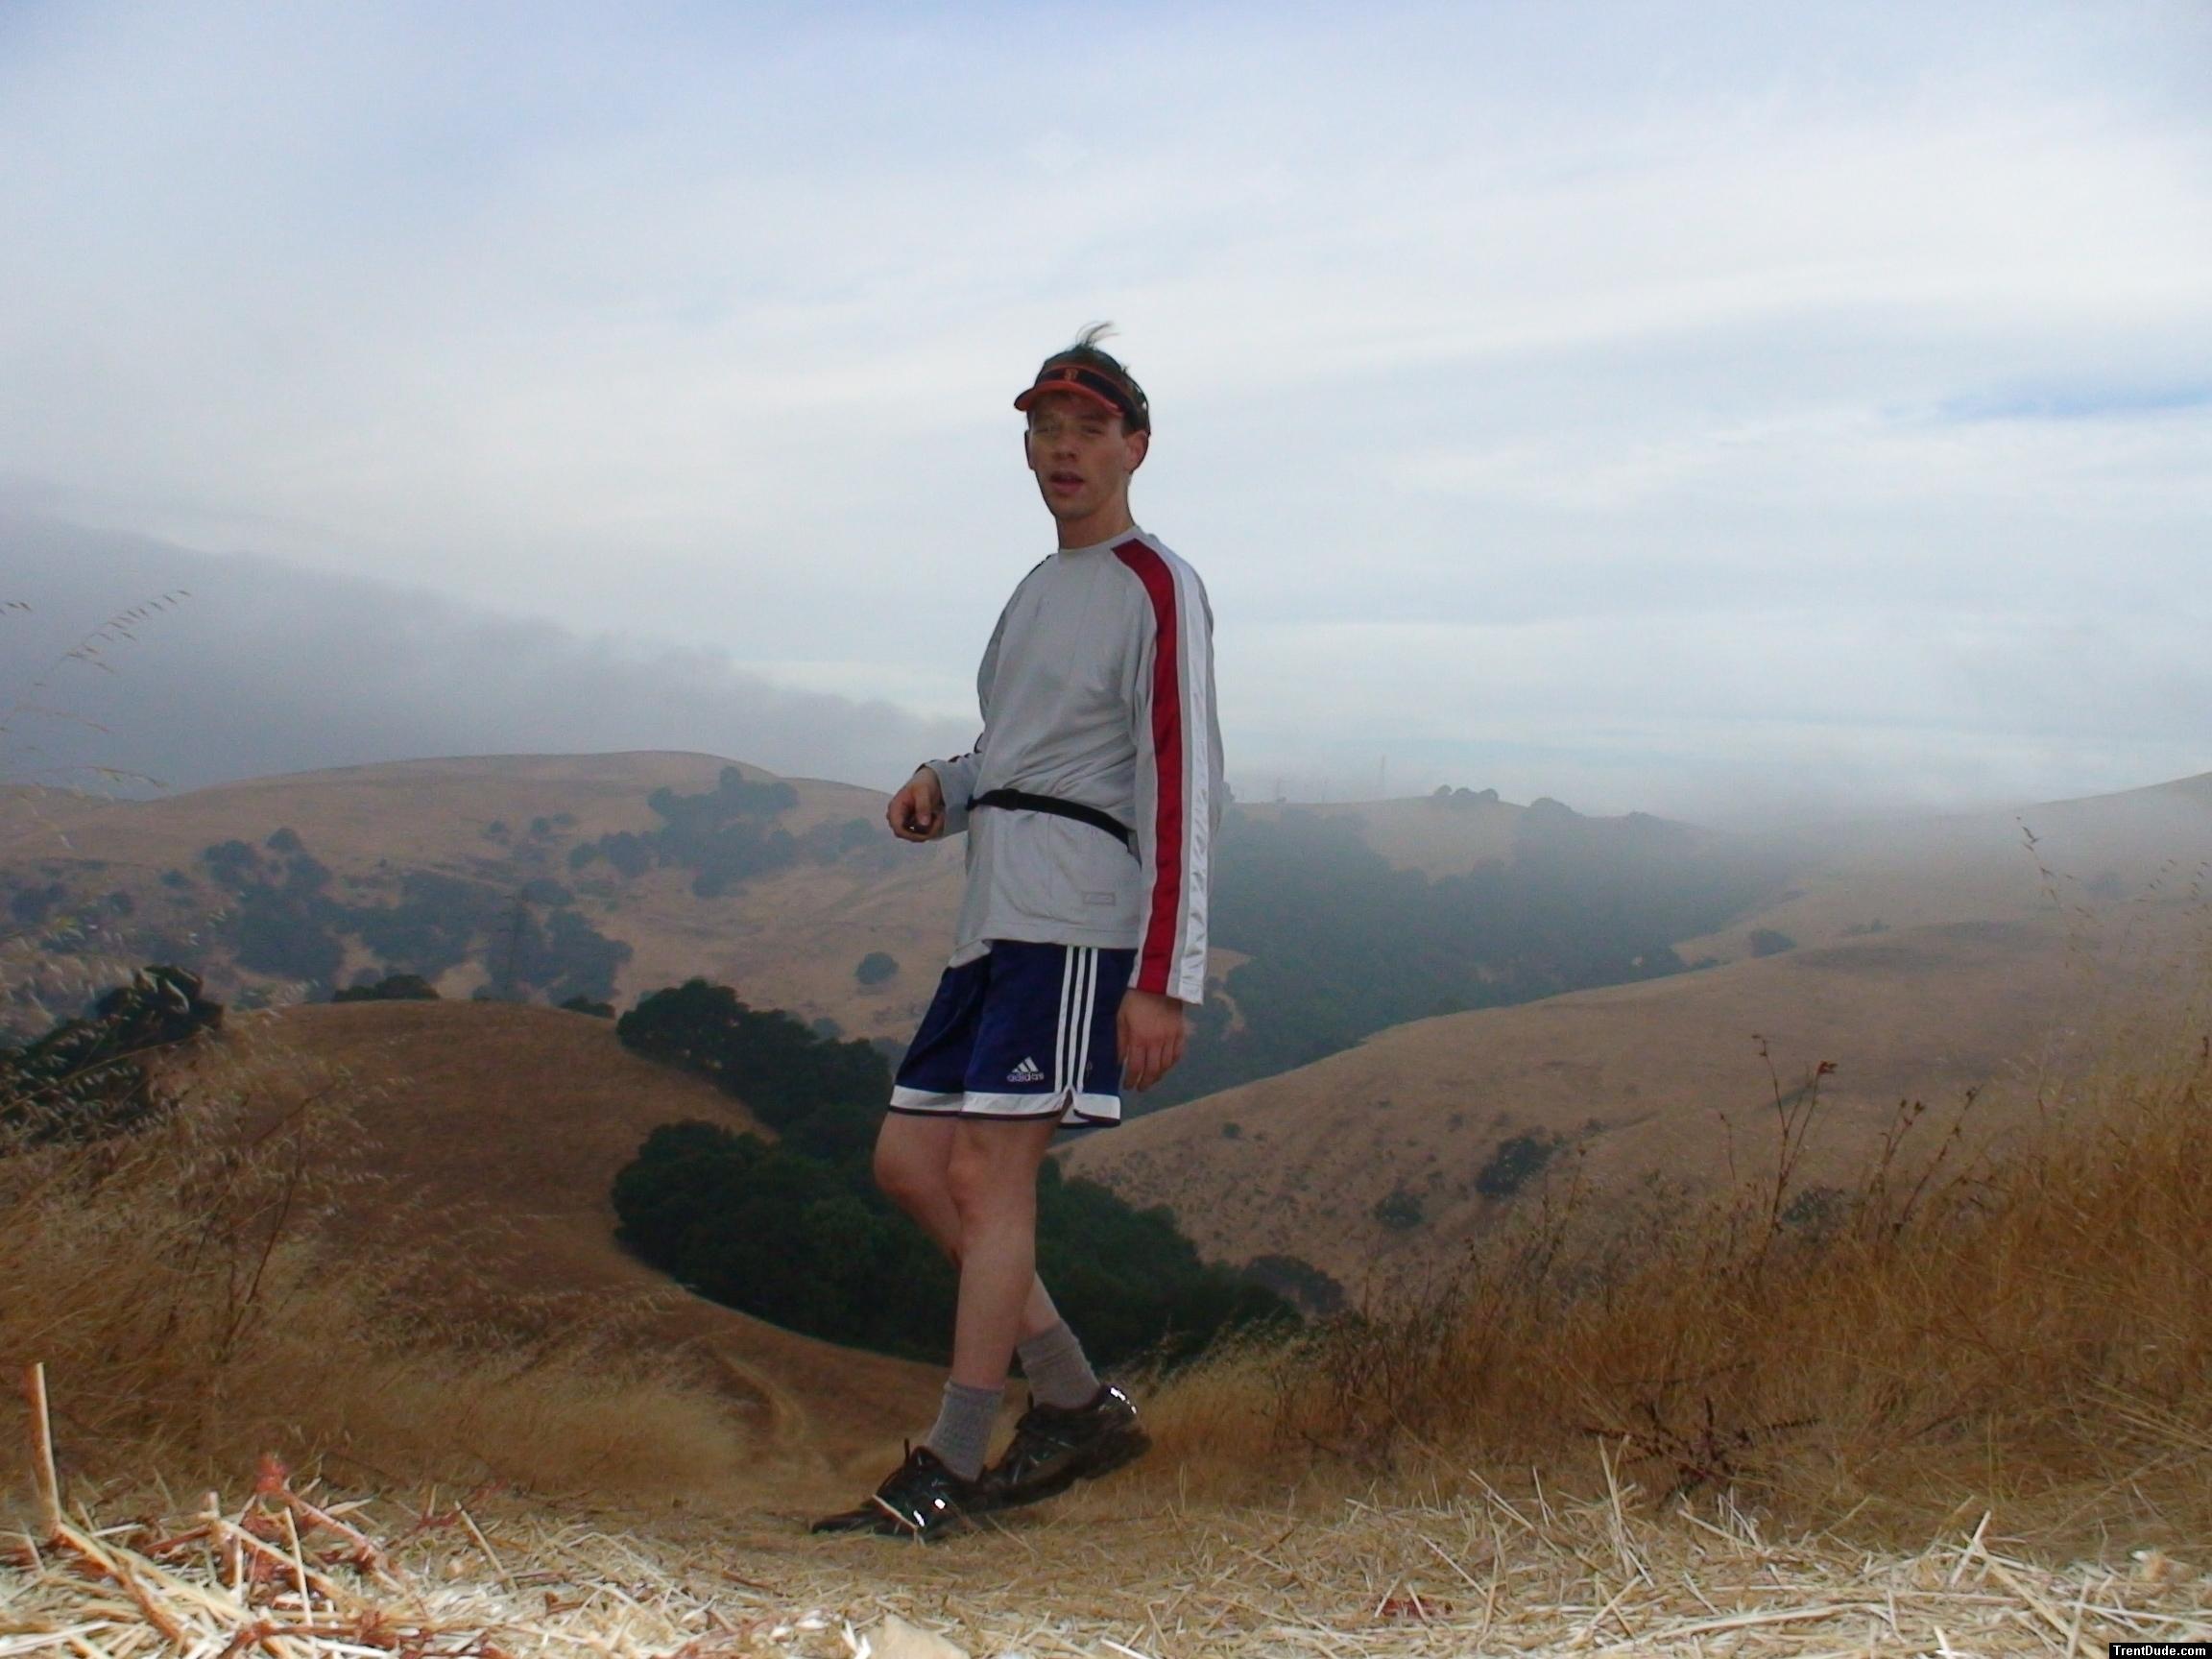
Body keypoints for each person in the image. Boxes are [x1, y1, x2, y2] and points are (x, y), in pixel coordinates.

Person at [810, 325, 1223, 1539]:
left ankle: (949, 1465)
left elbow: (1180, 776)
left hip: (1079, 919)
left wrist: (1166, 978)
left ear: (1136, 446)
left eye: (1090, 429)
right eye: (1044, 429)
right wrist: (950, 777)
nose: (1062, 450)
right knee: (909, 1165)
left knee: (991, 1177)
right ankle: (1074, 1399)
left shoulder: (1158, 580)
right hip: (997, 913)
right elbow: (1023, 750)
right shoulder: (1039, 589)